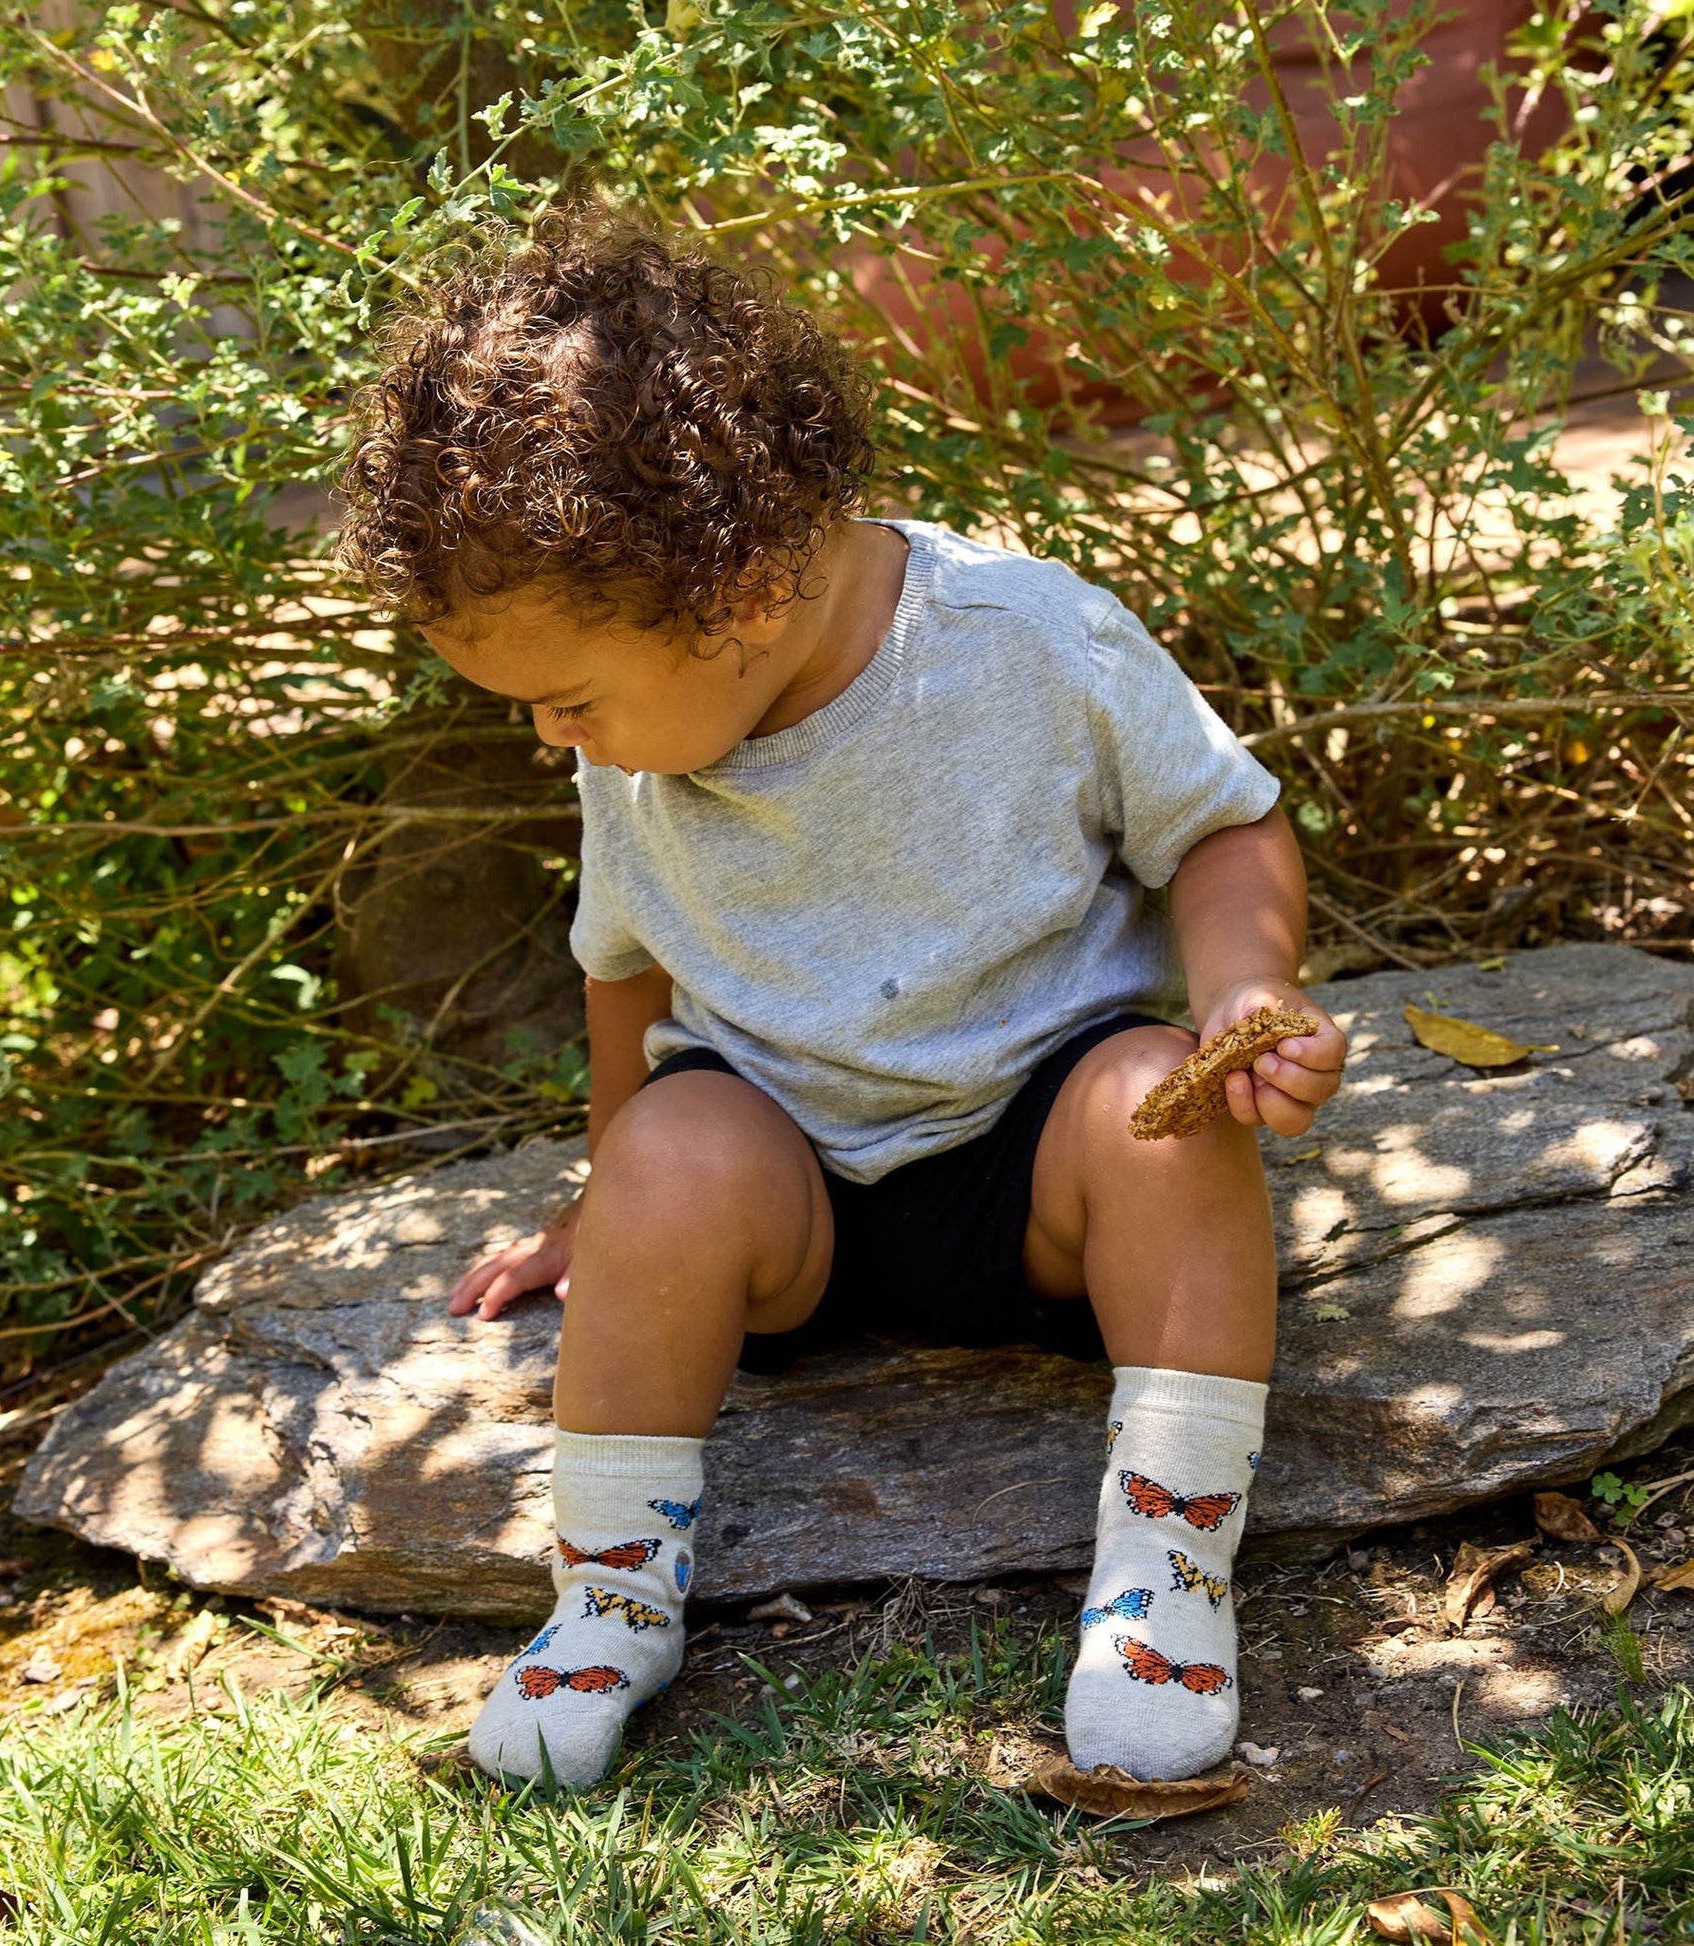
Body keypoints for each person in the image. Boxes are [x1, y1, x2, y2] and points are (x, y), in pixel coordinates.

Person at [335, 208, 1347, 1790]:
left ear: (739, 592)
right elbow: (627, 967)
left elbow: (1220, 824)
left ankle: (1164, 1577)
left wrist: (1244, 988)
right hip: (785, 1196)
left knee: (1161, 1119)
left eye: (569, 697)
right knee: (670, 1153)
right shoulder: (638, 742)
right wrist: (606, 1210)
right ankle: (609, 1596)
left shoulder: (1029, 638)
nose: (552, 738)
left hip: (1038, 1176)